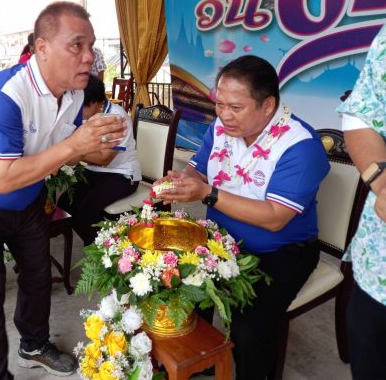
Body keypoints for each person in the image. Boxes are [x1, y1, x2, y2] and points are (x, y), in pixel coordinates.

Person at [0, 1, 127, 380]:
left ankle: (34, 345)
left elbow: (56, 149)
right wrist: (76, 146)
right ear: (41, 48)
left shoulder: (74, 95)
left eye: (91, 46)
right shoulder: (6, 95)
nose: (89, 56)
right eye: (76, 45)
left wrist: (94, 144)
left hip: (26, 199)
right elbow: (3, 178)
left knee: (38, 274)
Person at [155, 55, 329, 380]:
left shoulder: (300, 146)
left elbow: (275, 218)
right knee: (178, 293)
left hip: (280, 252)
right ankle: (201, 365)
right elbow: (198, 166)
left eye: (235, 107)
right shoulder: (221, 127)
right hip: (222, 241)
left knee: (247, 329)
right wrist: (182, 179)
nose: (223, 115)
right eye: (219, 104)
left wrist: (207, 193)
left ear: (267, 105)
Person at [337, 24, 386, 380]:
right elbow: (361, 115)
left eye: (235, 105)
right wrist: (383, 183)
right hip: (379, 265)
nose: (224, 114)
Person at [58, 75, 141, 245]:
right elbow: (71, 158)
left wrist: (73, 149)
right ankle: (97, 246)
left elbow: (105, 159)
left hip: (121, 175)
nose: (76, 110)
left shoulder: (116, 118)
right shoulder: (81, 117)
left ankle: (109, 256)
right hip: (94, 173)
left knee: (86, 215)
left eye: (80, 106)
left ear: (95, 102)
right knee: (65, 204)